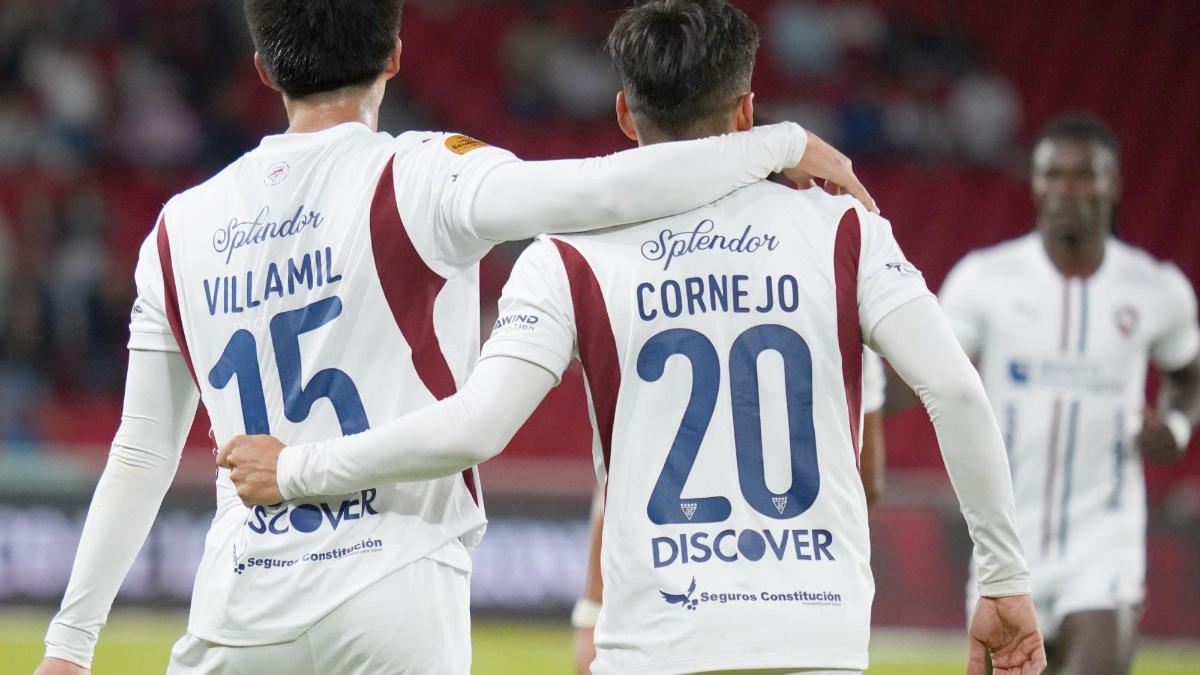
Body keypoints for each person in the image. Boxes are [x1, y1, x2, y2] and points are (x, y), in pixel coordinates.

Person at [33, 1, 879, 673]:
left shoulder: (177, 228)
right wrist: (780, 141)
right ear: (396, 55)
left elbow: (140, 453)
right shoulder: (425, 172)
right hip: (396, 579)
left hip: (243, 604)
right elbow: (606, 193)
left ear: (262, 66)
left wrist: (70, 642)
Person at [221, 2, 1045, 673]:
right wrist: (1003, 578)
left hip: (654, 639)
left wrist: (299, 467)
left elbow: (475, 427)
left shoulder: (567, 257)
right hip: (815, 634)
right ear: (747, 109)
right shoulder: (845, 228)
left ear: (624, 114)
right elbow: (956, 390)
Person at [937, 113, 1200, 674]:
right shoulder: (984, 281)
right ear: (1034, 183)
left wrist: (1177, 427)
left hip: (1104, 542)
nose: (1066, 190)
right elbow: (927, 372)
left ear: (1113, 184)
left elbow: (1188, 373)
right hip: (1006, 544)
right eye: (1052, 174)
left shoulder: (1155, 289)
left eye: (1084, 175)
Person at [570, 351, 888, 674]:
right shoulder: (847, 333)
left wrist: (592, 606)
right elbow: (868, 481)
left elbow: (627, 476)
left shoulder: (648, 328)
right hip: (806, 601)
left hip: (677, 595)